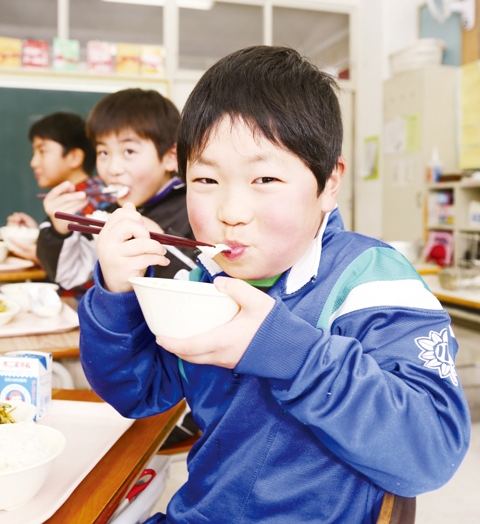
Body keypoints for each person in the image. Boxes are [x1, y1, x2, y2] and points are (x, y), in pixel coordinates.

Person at [78, 46, 470, 523]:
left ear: (328, 183)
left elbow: (430, 452)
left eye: (263, 177)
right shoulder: (202, 280)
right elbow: (137, 395)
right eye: (205, 179)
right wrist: (115, 297)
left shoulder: (372, 282)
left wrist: (287, 350)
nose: (231, 212)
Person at [36, 88, 197, 292]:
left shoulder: (193, 209)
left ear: (170, 157)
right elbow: (70, 276)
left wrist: (158, 240)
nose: (112, 169)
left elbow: (207, 286)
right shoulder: (111, 211)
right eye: (103, 152)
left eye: (129, 151)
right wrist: (59, 230)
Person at [6, 111, 111, 264]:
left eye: (42, 151)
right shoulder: (74, 196)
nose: (33, 162)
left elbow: (89, 270)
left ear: (74, 157)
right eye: (34, 152)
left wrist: (41, 256)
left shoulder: (91, 202)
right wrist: (40, 233)